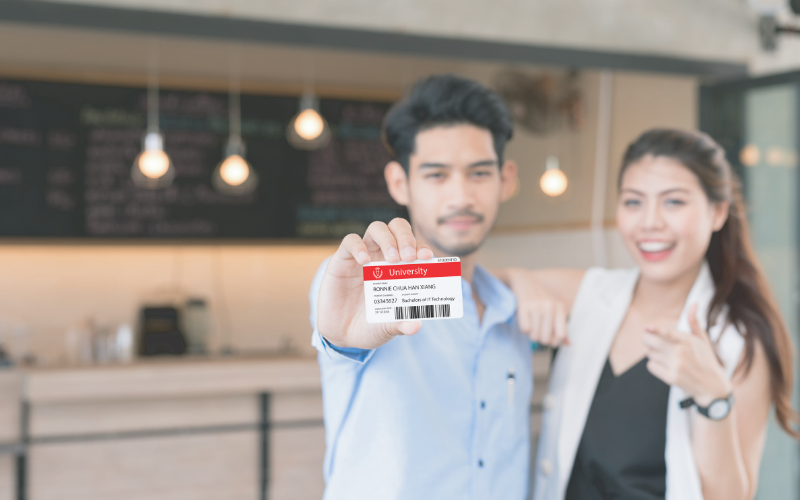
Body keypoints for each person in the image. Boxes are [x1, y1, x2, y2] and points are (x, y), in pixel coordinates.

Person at [498, 128, 798, 500]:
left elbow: (732, 497)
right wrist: (517, 278)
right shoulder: (587, 295)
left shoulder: (739, 340)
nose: (650, 222)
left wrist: (713, 399)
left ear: (718, 212)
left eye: (673, 202)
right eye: (633, 202)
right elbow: (459, 292)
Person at [309, 73, 533, 500]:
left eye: (479, 173)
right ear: (400, 182)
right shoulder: (364, 286)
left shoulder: (510, 307)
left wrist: (526, 282)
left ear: (505, 179)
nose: (461, 196)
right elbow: (343, 325)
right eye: (436, 175)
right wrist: (342, 338)